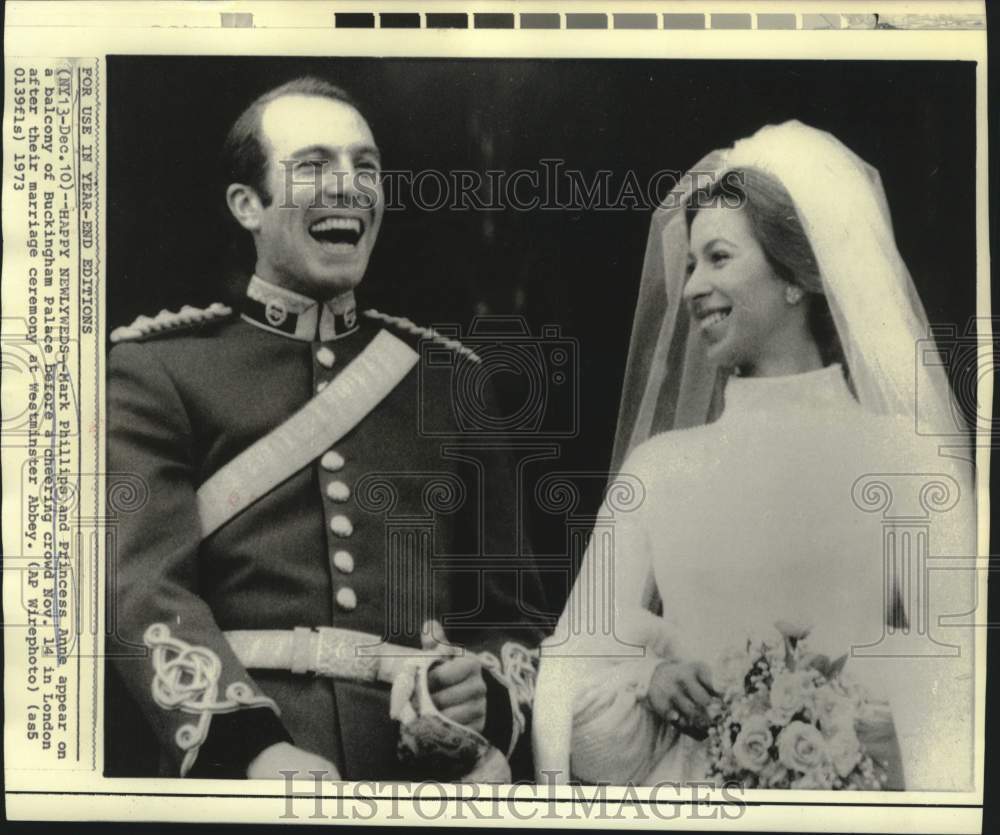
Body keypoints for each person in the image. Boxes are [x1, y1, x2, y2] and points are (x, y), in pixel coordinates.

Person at [106, 77, 546, 781]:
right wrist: (250, 746)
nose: (347, 187)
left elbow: (511, 614)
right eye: (313, 166)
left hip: (419, 775)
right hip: (247, 768)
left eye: (364, 168)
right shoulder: (156, 371)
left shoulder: (450, 382)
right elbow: (140, 590)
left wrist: (484, 693)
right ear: (246, 204)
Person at [533, 121, 977, 791]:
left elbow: (964, 674)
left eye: (717, 257)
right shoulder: (658, 469)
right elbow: (569, 663)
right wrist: (648, 677)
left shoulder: (910, 462)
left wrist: (850, 713)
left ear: (796, 274)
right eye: (688, 266)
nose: (689, 289)